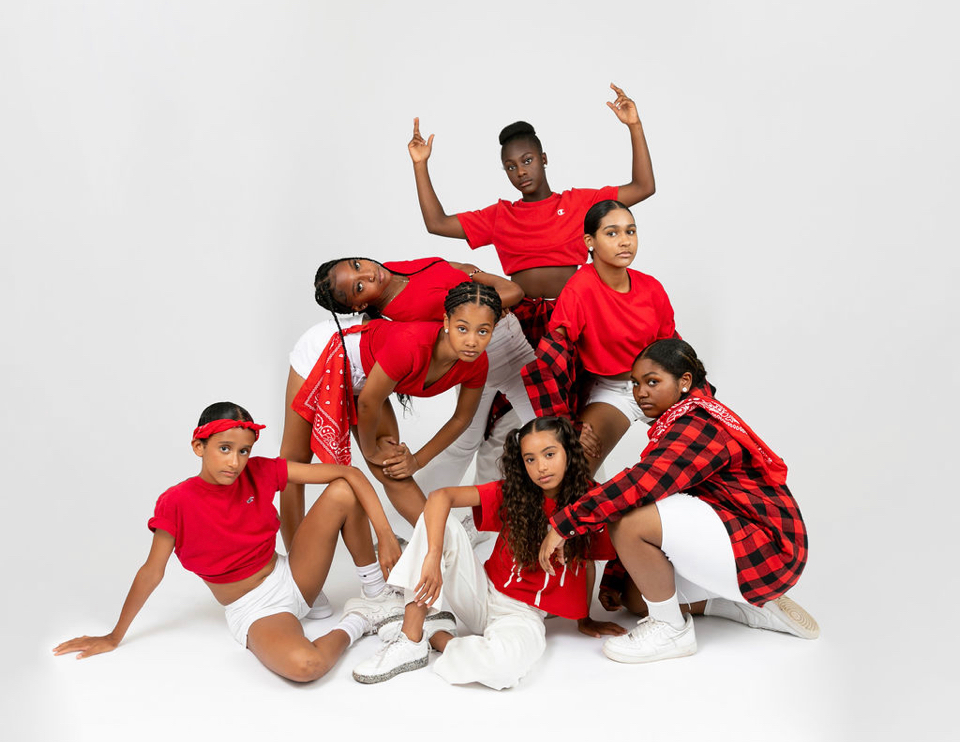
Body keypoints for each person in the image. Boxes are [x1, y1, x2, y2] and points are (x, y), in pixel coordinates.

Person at [53, 403, 404, 682]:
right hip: (256, 609)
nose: (235, 462)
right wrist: (114, 636)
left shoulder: (259, 471)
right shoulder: (176, 502)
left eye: (244, 451)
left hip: (293, 577)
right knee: (306, 666)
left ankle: (377, 595)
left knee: (342, 490)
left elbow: (349, 474)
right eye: (225, 449)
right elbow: (151, 572)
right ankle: (360, 619)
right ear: (199, 446)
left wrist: (385, 536)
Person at [538, 340, 819, 666]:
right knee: (637, 596)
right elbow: (657, 497)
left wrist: (564, 524)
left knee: (628, 522)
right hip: (742, 537)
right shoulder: (688, 416)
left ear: (684, 381)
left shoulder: (699, 424)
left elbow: (640, 487)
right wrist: (616, 576)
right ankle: (741, 606)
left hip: (767, 551)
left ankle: (672, 631)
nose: (641, 393)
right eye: (635, 384)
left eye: (652, 381)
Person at [351, 417, 625, 690]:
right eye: (530, 459)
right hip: (481, 591)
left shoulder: (589, 503)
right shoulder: (515, 492)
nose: (541, 467)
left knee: (505, 669)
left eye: (549, 454)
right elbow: (440, 497)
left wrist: (584, 618)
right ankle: (410, 640)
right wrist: (434, 555)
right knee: (437, 521)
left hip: (522, 614)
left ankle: (438, 637)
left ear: (569, 453)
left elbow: (587, 562)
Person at [408, 83, 656, 343]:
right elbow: (437, 223)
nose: (521, 172)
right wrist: (420, 164)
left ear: (543, 158)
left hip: (572, 310)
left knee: (577, 369)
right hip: (519, 318)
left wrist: (634, 125)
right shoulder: (500, 216)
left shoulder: (578, 203)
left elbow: (643, 187)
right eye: (511, 166)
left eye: (527, 160)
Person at [280, 282, 501, 548]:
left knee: (393, 466)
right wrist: (370, 450)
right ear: (446, 322)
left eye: (483, 331)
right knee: (295, 462)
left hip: (370, 379)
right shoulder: (411, 344)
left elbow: (461, 419)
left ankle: (447, 550)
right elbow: (368, 403)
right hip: (330, 352)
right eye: (462, 328)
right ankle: (296, 560)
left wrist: (416, 461)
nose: (472, 341)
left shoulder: (477, 363)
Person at [312, 255, 535, 493]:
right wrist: (483, 289)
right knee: (541, 426)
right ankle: (451, 505)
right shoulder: (412, 307)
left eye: (357, 265)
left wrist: (473, 277)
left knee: (471, 440)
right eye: (359, 287)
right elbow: (511, 293)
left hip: (480, 349)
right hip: (493, 349)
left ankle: (463, 506)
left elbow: (452, 266)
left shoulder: (391, 271)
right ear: (359, 306)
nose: (368, 274)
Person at [526, 199, 677, 476]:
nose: (625, 241)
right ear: (590, 241)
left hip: (656, 387)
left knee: (711, 448)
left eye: (630, 231)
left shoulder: (652, 287)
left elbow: (672, 350)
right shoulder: (580, 289)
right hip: (611, 390)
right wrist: (566, 424)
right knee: (572, 470)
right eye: (612, 233)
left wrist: (696, 394)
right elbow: (549, 362)